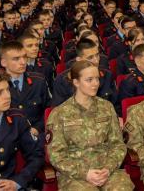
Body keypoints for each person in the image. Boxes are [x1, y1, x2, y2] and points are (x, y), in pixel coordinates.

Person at [46, 60, 134, 190]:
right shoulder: (59, 113)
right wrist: (84, 173)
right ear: (76, 82)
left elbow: (118, 144)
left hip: (107, 171)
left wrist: (108, 168)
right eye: (89, 80)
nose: (95, 84)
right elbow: (56, 155)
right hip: (75, 176)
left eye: (97, 79)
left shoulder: (106, 107)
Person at [0, 41, 50, 133]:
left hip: (35, 136)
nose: (23, 62)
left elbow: (48, 110)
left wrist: (38, 128)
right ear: (4, 62)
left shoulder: (38, 81)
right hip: (8, 137)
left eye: (24, 57)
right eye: (16, 59)